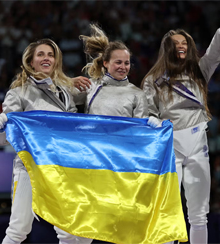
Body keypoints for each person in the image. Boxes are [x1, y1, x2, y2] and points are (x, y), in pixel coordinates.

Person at [141, 1, 220, 243]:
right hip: (168, 144)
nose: (181, 47)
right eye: (176, 44)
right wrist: (152, 121)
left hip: (197, 143)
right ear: (167, 49)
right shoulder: (153, 78)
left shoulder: (199, 71)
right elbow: (145, 111)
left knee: (199, 212)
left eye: (184, 43)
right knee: (167, 208)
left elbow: (215, 52)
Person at [53, 23, 152, 244]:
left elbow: (140, 134)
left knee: (120, 224)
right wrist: (69, 83)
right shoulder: (92, 86)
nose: (123, 67)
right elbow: (60, 99)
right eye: (118, 62)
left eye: (127, 63)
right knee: (83, 225)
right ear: (105, 63)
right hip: (91, 163)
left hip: (121, 166)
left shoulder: (137, 94)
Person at [0, 38, 91, 244]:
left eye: (51, 55)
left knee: (68, 231)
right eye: (41, 54)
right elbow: (2, 140)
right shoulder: (18, 92)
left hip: (61, 166)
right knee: (19, 229)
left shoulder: (64, 92)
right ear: (31, 61)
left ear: (56, 61)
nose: (46, 58)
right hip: (30, 168)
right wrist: (0, 126)